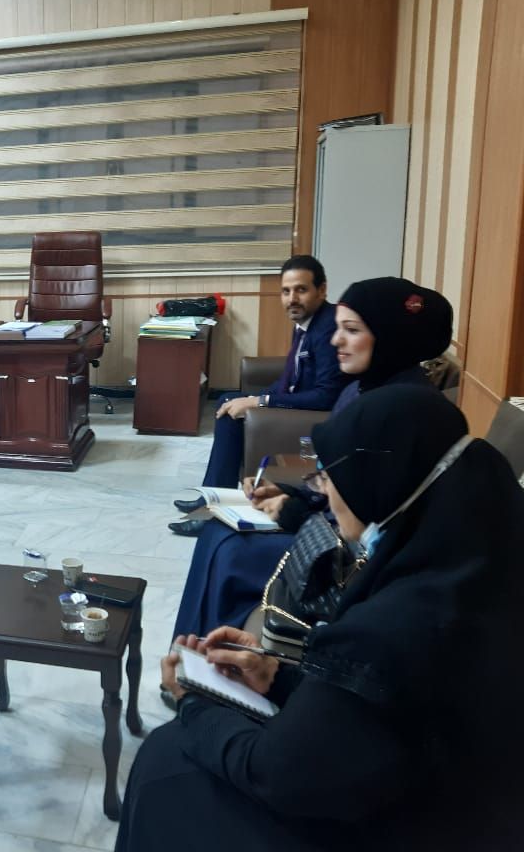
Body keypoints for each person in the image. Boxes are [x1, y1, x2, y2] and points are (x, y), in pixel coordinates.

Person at [117, 385, 524, 851]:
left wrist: (194, 703)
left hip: (424, 825)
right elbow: (377, 710)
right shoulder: (479, 559)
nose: (325, 495)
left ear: (378, 483)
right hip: (462, 803)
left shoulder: (402, 622)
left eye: (327, 480)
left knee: (167, 763)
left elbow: (277, 773)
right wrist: (277, 676)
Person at [172, 279, 453, 639]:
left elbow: (376, 527)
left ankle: (218, 657)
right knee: (216, 533)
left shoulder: (405, 413)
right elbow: (339, 481)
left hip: (349, 564)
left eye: (351, 330)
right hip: (324, 530)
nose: (336, 341)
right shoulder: (361, 389)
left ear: (390, 336)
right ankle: (194, 657)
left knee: (231, 552)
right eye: (338, 329)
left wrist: (296, 513)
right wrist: (289, 492)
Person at [169, 255, 347, 537]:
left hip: (315, 414)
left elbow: (326, 396)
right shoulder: (306, 320)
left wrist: (260, 401)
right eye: (286, 291)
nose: (292, 299)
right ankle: (213, 496)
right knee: (228, 402)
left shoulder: (328, 328)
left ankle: (214, 508)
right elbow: (292, 376)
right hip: (299, 401)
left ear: (322, 290)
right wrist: (255, 397)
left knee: (234, 411)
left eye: (301, 290)